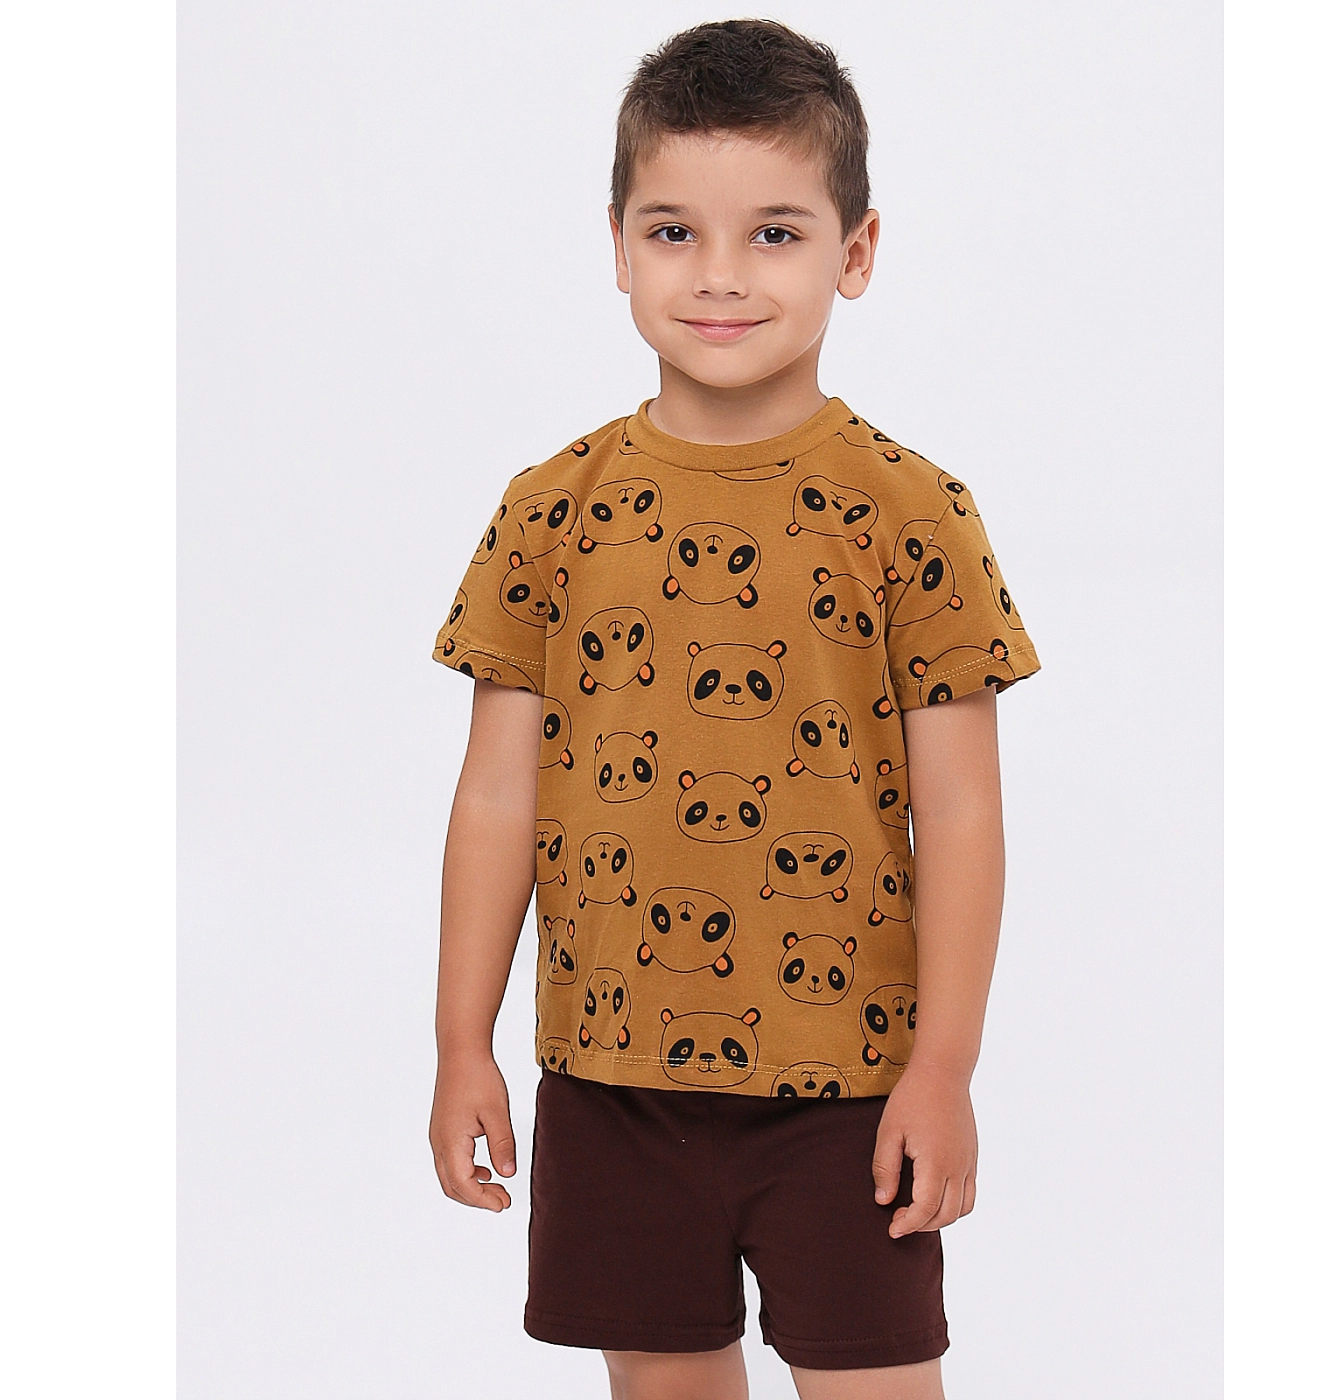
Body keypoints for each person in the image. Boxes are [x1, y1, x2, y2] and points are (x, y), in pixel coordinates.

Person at [427, 19, 1039, 1400]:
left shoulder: (914, 514)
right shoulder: (551, 509)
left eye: (774, 233)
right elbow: (496, 795)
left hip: (851, 1087)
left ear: (856, 251)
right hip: (613, 1079)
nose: (718, 275)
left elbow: (962, 812)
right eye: (673, 232)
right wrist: (462, 1040)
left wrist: (944, 1068)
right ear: (617, 245)